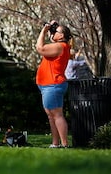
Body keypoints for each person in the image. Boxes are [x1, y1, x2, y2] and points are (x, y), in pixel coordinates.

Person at [35, 20, 72, 148]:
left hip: (53, 85)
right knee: (52, 116)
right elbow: (50, 42)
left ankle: (65, 144)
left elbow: (40, 48)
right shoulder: (60, 46)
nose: (53, 32)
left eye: (56, 31)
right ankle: (55, 143)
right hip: (48, 85)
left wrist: (44, 31)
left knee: (57, 115)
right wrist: (51, 30)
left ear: (61, 36)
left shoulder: (60, 46)